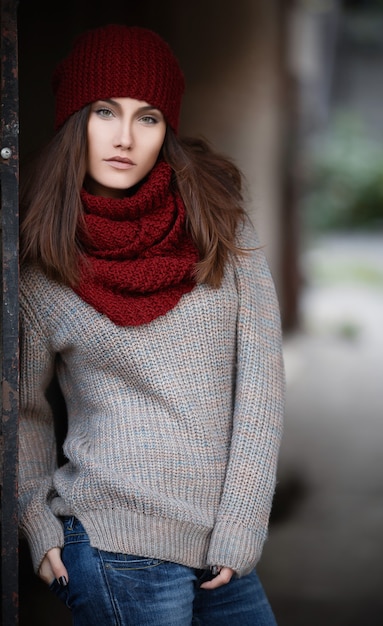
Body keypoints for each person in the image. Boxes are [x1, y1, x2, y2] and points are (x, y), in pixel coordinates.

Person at [18, 23, 285, 626]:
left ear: (167, 131)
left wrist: (242, 524)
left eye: (148, 117)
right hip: (111, 547)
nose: (124, 137)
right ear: (74, 121)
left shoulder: (221, 230)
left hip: (220, 547)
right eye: (105, 111)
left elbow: (260, 387)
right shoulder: (44, 269)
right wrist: (36, 518)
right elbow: (22, 409)